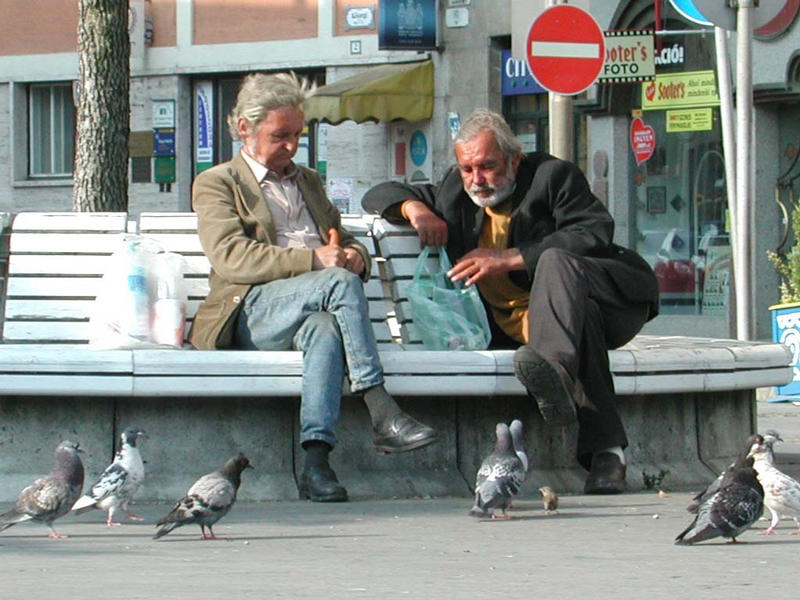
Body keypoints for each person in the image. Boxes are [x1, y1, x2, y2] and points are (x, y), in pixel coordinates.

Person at [362, 109, 659, 494]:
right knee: (581, 324)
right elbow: (378, 193)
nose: (477, 179)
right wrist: (414, 209)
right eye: (468, 168)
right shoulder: (456, 190)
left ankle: (557, 370)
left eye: (487, 166)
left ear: (514, 159)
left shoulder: (551, 177)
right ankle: (607, 456)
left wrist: (512, 257)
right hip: (522, 329)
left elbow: (594, 229)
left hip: (605, 299)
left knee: (556, 265)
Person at [189, 72, 438, 503]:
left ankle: (316, 463)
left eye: (297, 136)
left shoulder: (308, 181)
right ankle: (381, 410)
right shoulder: (218, 183)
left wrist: (355, 255)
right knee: (337, 284)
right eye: (279, 136)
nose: (290, 146)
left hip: (312, 305)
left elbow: (340, 236)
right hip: (252, 309)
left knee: (325, 328)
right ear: (244, 128)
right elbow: (230, 256)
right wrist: (314, 260)